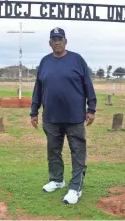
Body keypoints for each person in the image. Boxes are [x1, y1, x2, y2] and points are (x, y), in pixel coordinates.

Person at [30, 27, 97, 204]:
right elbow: (38, 88)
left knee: (77, 152)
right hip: (51, 117)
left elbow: (87, 84)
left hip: (74, 117)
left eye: (60, 39)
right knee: (53, 150)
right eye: (54, 39)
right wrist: (34, 111)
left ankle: (76, 188)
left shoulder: (77, 60)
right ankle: (57, 180)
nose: (57, 42)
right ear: (50, 43)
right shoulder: (45, 62)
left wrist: (91, 108)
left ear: (65, 41)